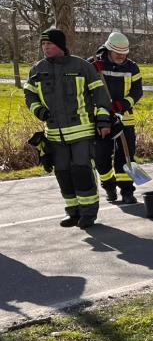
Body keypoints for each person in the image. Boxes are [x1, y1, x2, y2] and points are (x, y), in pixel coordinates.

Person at [24, 27, 113, 228]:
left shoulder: (82, 66)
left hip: (82, 131)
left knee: (82, 170)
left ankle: (88, 213)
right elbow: (29, 94)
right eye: (43, 44)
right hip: (54, 135)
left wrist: (103, 122)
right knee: (63, 173)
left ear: (60, 46)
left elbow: (101, 97)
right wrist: (39, 111)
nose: (45, 48)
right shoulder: (37, 69)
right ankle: (73, 212)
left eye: (49, 44)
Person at [89, 32, 142, 204]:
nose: (121, 56)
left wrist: (123, 104)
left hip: (124, 119)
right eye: (117, 53)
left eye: (124, 53)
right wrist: (91, 70)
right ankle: (109, 186)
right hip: (101, 120)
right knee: (101, 157)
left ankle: (127, 191)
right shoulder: (94, 65)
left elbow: (137, 92)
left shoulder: (132, 68)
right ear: (108, 50)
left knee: (126, 157)